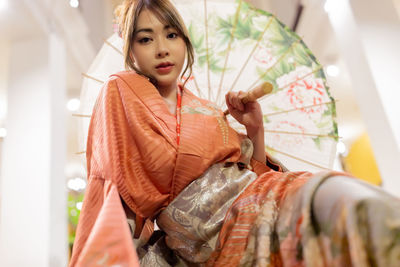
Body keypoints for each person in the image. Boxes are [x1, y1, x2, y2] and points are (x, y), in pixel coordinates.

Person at [69, 0, 400, 266]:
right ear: (131, 52)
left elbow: (251, 173)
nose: (161, 48)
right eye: (145, 38)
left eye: (171, 35)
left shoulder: (209, 109)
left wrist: (254, 128)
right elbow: (115, 188)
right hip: (213, 248)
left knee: (348, 201)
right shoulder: (121, 90)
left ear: (185, 42)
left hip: (267, 199)